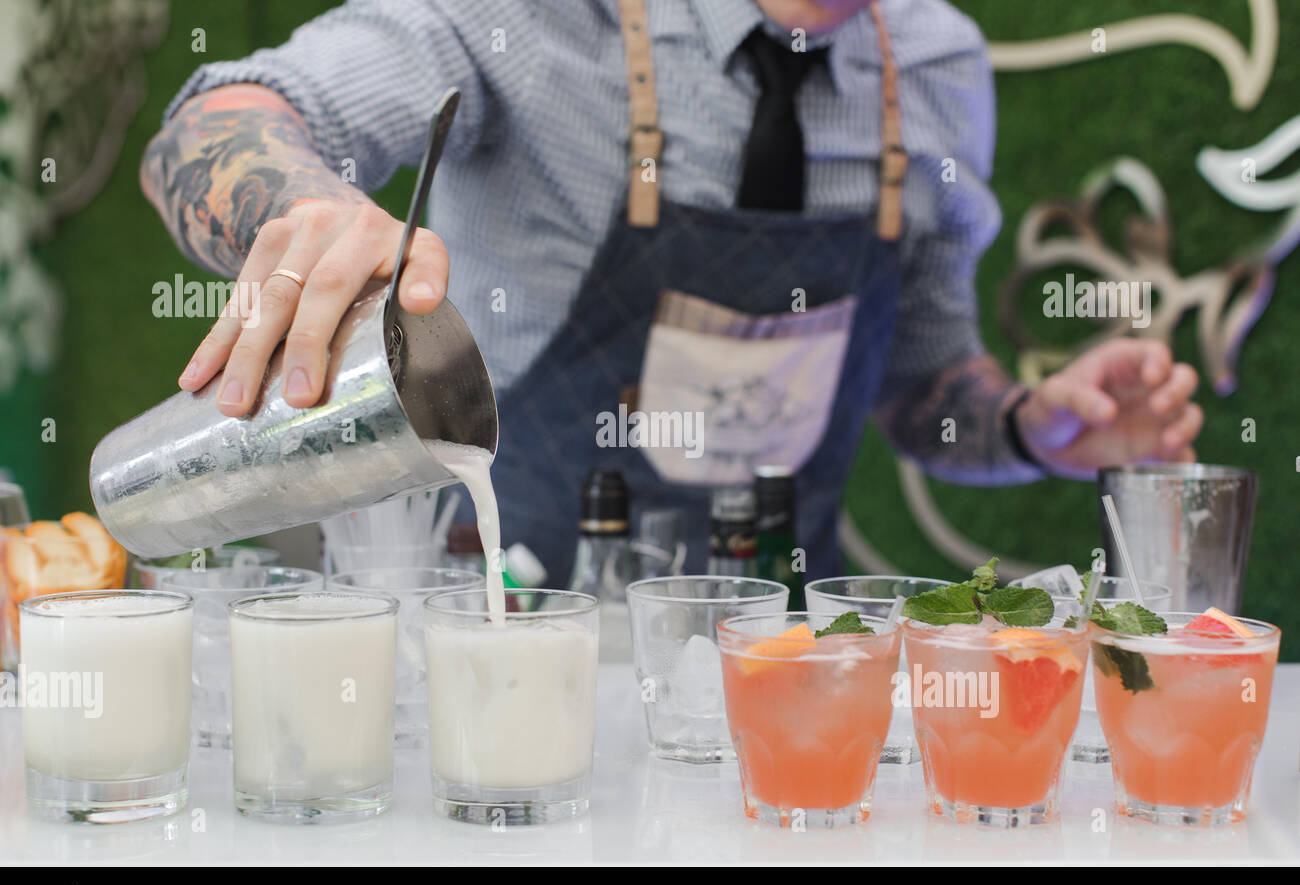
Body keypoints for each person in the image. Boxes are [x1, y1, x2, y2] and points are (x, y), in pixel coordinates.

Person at [142, 0, 1202, 584]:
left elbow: (924, 382)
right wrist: (297, 204)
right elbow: (219, 121)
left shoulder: (938, 62)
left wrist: (1031, 424)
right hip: (498, 631)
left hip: (774, 654)